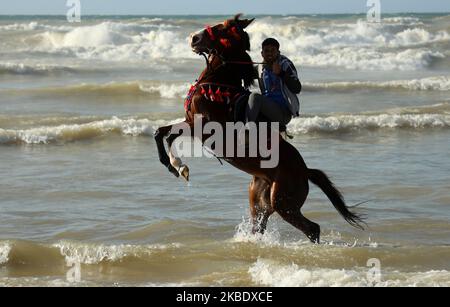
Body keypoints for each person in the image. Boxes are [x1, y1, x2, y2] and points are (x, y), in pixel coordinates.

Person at [246, 38, 301, 132]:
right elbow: (244, 74)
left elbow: (297, 88)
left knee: (255, 97)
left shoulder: (285, 64)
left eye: (273, 51)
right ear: (262, 53)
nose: (270, 53)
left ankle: (247, 130)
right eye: (266, 51)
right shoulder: (260, 68)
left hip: (283, 113)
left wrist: (281, 73)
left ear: (278, 52)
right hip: (268, 109)